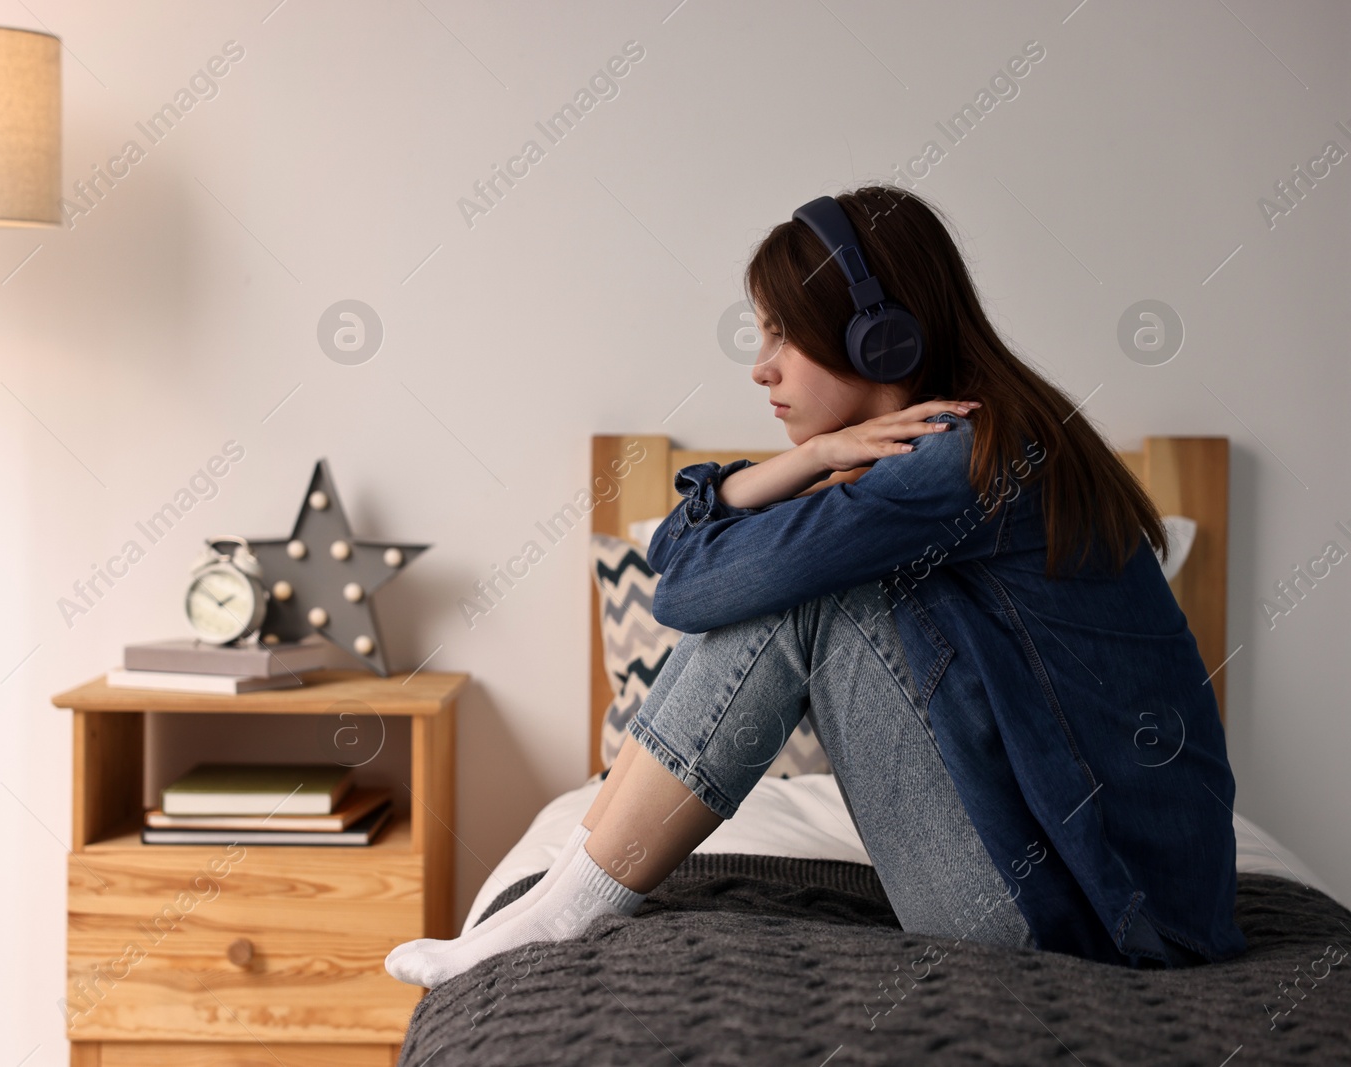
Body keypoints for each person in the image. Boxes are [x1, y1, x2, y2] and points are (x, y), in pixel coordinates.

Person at [386, 185, 1243, 989]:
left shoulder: (954, 459)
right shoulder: (985, 434)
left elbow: (686, 590)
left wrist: (801, 469)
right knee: (801, 582)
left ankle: (564, 907)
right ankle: (560, 899)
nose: (762, 369)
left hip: (1095, 928)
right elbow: (684, 569)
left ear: (882, 338)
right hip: (1107, 901)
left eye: (782, 335)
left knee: (807, 592)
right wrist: (813, 458)